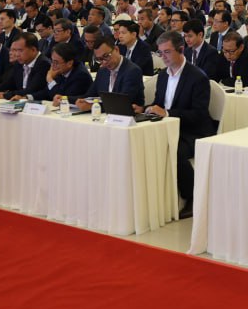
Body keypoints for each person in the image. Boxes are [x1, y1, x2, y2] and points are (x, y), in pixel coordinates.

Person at [145, 31, 215, 219]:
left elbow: (199, 114)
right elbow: (159, 104)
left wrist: (167, 113)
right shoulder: (162, 76)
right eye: (160, 53)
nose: (163, 57)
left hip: (192, 131)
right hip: (167, 127)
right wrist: (146, 109)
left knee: (173, 149)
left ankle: (191, 196)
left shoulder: (197, 77)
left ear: (181, 50)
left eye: (167, 52)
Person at [77, 41, 146, 111]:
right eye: (99, 59)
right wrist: (76, 101)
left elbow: (122, 102)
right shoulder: (102, 71)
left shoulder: (132, 71)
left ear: (116, 50)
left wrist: (93, 106)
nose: (104, 62)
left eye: (106, 56)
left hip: (127, 115)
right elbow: (90, 95)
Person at [0, 33, 51, 100]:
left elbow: (31, 90)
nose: (17, 54)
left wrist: (6, 95)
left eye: (20, 50)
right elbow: (6, 85)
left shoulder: (44, 64)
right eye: (15, 50)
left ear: (33, 50)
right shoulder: (19, 63)